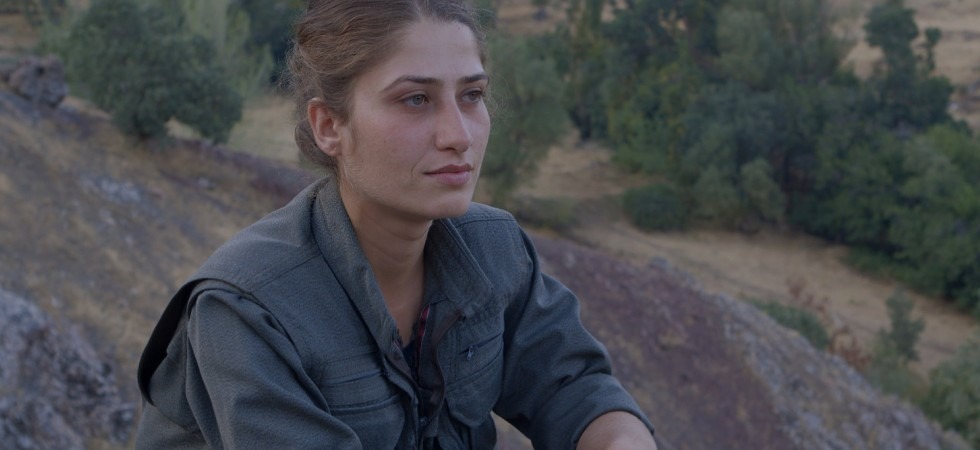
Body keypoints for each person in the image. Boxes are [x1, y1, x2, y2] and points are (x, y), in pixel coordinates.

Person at [134, 0, 657, 448]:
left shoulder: (493, 248)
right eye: (415, 99)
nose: (459, 135)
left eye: (472, 95)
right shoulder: (247, 311)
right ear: (329, 126)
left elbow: (572, 386)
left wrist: (620, 440)